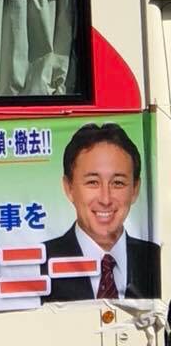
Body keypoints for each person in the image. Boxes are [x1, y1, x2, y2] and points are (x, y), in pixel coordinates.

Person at [42, 123, 160, 302]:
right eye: (93, 182)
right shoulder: (39, 263)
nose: (105, 199)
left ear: (135, 189)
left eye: (118, 183)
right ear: (69, 188)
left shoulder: (157, 259)